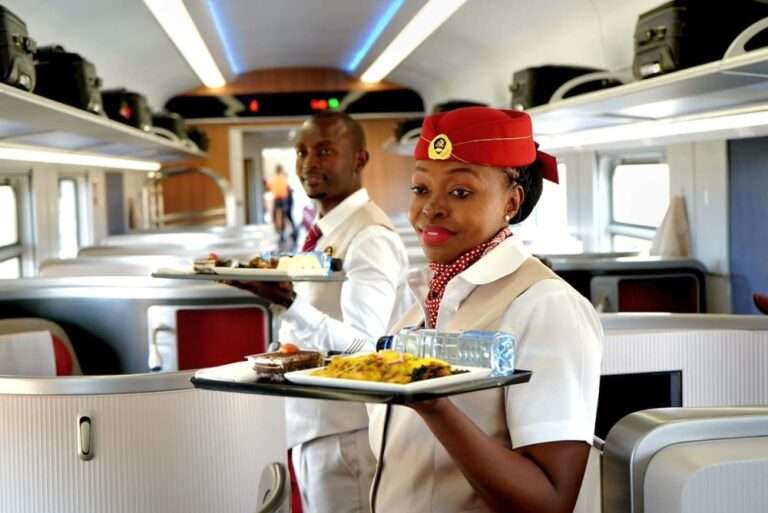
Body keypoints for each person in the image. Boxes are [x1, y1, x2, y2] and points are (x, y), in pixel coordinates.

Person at [367, 107, 603, 513]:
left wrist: (434, 404)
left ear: (512, 201)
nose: (430, 208)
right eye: (421, 189)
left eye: (460, 192)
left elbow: (550, 501)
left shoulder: (546, 307)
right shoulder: (423, 302)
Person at [229, 111, 410, 513]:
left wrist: (289, 303)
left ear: (360, 159)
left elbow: (365, 346)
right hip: (318, 424)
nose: (309, 163)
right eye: (302, 152)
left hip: (348, 434)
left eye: (325, 151)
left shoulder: (369, 237)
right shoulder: (326, 230)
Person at [266, 164, 290, 241]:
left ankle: (279, 232)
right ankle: (282, 232)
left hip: (277, 198)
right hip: (283, 199)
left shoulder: (273, 178)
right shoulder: (284, 178)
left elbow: (268, 187)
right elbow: (287, 188)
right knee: (282, 216)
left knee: (276, 217)